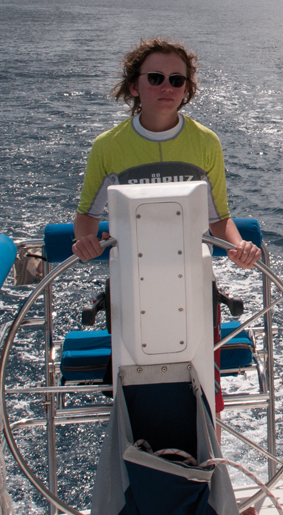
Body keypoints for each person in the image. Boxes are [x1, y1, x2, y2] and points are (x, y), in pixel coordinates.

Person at [70, 38, 260, 415]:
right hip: (129, 288)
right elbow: (86, 216)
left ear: (187, 89)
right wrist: (86, 241)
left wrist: (239, 248)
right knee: (135, 396)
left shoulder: (206, 143)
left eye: (177, 80)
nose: (167, 87)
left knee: (205, 396)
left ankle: (209, 450)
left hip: (195, 287)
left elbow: (219, 219)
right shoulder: (108, 147)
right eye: (155, 78)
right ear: (133, 86)